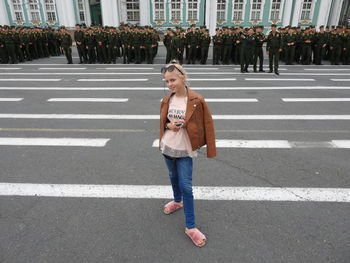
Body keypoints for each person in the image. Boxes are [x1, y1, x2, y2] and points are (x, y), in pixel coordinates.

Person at [159, 61, 216, 247]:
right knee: (172, 176)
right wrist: (169, 125)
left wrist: (187, 126)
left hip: (185, 149)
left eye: (173, 80)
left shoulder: (196, 100)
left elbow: (206, 124)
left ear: (183, 77)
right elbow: (164, 121)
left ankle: (191, 226)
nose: (170, 84)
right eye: (166, 81)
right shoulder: (167, 99)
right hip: (168, 145)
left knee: (186, 186)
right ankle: (177, 201)